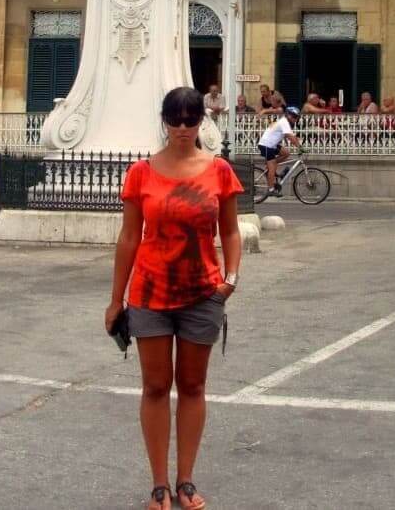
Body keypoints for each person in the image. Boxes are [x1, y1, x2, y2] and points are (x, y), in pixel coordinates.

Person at [107, 87, 242, 510]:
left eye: (191, 119)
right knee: (154, 387)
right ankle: (159, 484)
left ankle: (185, 480)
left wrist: (230, 279)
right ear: (164, 121)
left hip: (203, 293)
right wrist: (115, 299)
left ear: (201, 121)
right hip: (150, 293)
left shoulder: (219, 170)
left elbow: (230, 231)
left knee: (193, 386)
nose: (183, 128)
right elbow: (129, 238)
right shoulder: (141, 173)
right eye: (175, 119)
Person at [259, 107, 301, 196]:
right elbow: (290, 137)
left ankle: (270, 165)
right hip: (266, 145)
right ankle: (271, 189)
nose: (295, 119)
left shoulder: (284, 122)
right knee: (272, 167)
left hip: (271, 145)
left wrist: (297, 142)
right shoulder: (284, 122)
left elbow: (290, 136)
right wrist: (300, 148)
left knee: (286, 153)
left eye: (297, 117)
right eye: (294, 116)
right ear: (288, 115)